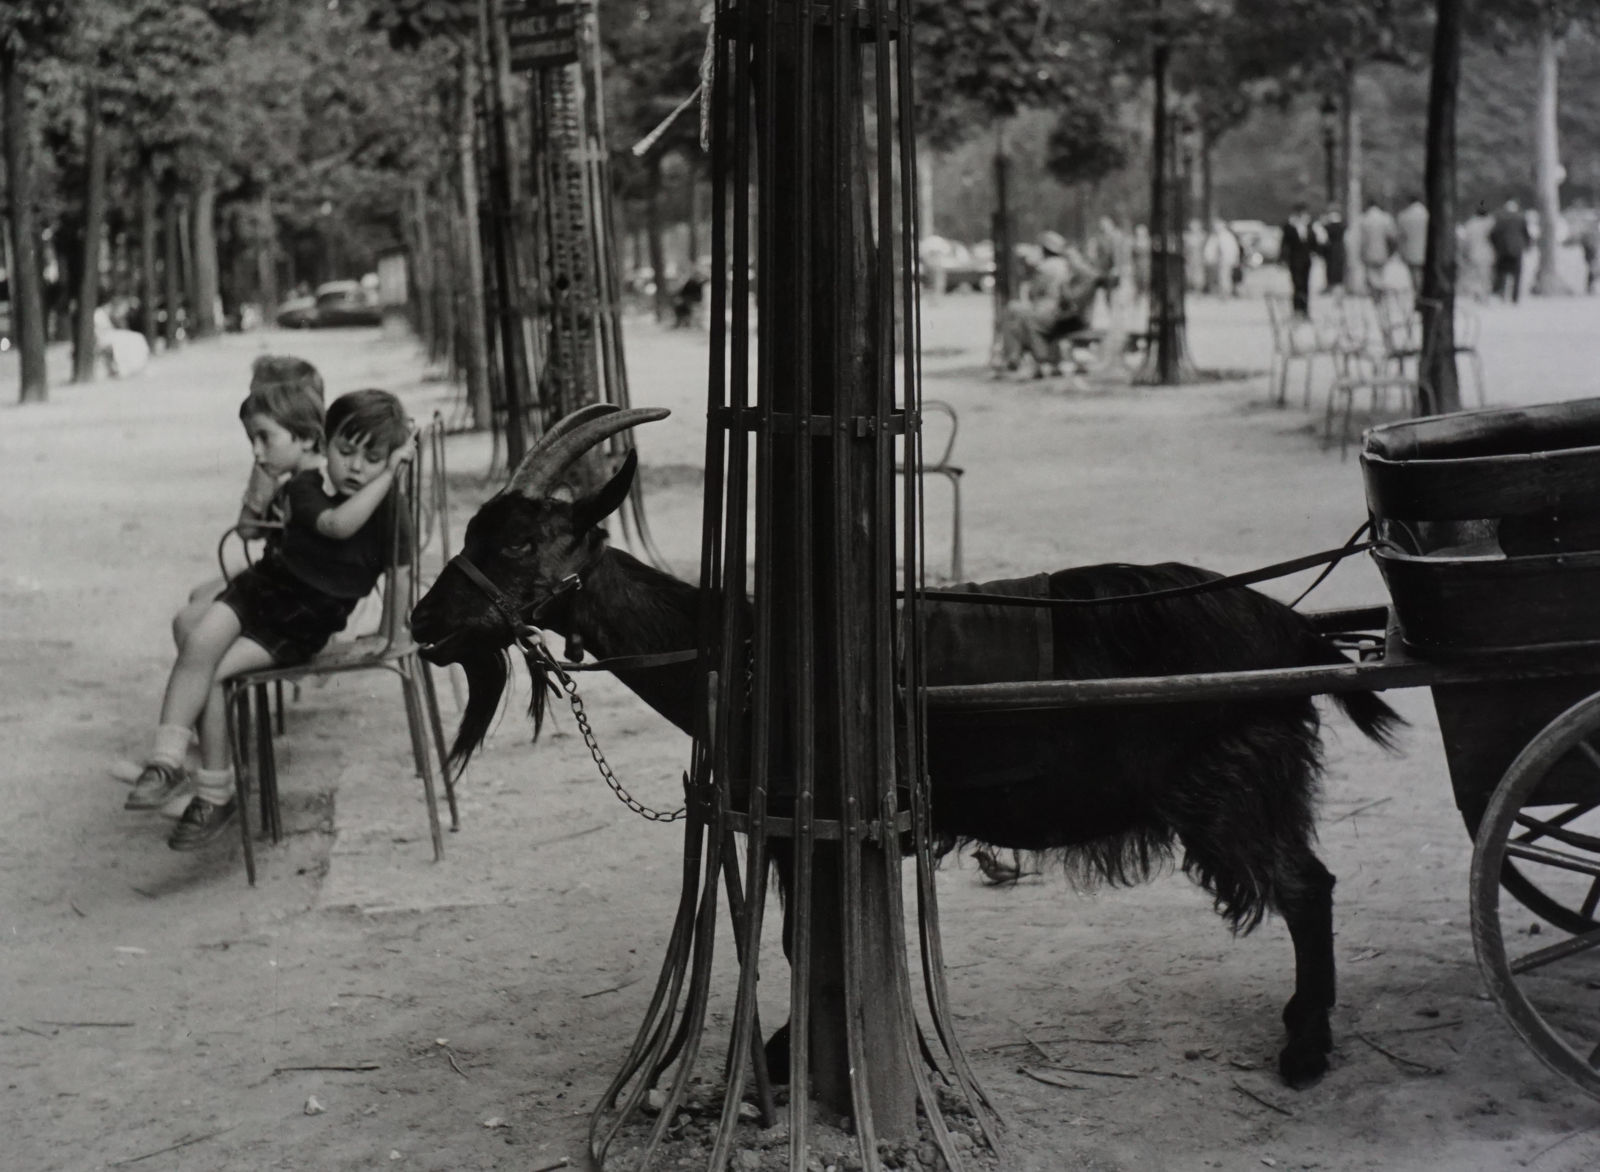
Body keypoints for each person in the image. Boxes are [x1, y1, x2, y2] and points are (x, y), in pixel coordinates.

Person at [125, 388, 415, 850]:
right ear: (325, 443)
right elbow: (336, 524)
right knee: (198, 643)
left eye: (373, 459)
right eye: (345, 452)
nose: (356, 468)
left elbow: (400, 574)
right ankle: (166, 761)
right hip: (261, 590)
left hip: (299, 624)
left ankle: (214, 793)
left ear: (387, 462)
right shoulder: (305, 488)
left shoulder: (391, 509)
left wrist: (389, 635)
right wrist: (392, 470)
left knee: (213, 672)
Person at [1279, 203, 1323, 317]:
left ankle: (1305, 309)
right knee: (1297, 284)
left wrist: (1317, 252)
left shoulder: (1310, 226)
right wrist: (1283, 258)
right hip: (1294, 259)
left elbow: (1314, 243)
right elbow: (1285, 244)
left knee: (1306, 285)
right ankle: (1297, 309)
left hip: (1306, 260)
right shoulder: (1289, 226)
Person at [1490, 198, 1531, 303]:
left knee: (1502, 273)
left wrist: (1496, 246)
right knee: (1517, 274)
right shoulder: (1521, 218)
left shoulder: (1500, 219)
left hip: (1503, 250)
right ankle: (1515, 297)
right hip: (1517, 250)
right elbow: (1526, 233)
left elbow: (1494, 234)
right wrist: (1527, 245)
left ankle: (1502, 293)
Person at [1358, 199, 1398, 295]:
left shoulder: (1364, 219)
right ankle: (1379, 291)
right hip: (1383, 252)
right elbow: (1392, 236)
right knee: (1380, 275)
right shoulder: (1385, 218)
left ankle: (1376, 294)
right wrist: (1391, 251)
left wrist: (1360, 253)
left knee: (1371, 276)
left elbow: (1361, 239)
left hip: (1368, 253)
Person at [1396, 194, 1429, 293]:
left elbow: (1400, 237)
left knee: (1414, 276)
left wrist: (1401, 252)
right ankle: (1423, 292)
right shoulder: (1427, 214)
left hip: (1411, 252)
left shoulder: (1404, 215)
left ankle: (1418, 293)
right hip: (1427, 251)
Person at [1318, 205, 1347, 291]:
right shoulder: (1342, 226)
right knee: (1338, 268)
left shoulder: (1328, 227)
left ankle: (1331, 284)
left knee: (1330, 268)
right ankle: (1338, 285)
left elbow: (1323, 239)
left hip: (1330, 249)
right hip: (1339, 249)